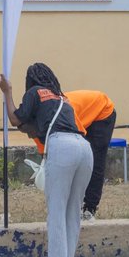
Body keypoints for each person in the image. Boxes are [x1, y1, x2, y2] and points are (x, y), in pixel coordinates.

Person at [0, 63, 93, 257]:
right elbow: (34, 128)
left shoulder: (34, 93)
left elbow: (15, 119)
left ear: (31, 81)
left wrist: (7, 92)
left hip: (62, 147)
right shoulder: (62, 98)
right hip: (84, 148)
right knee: (73, 210)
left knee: (57, 211)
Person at [30, 90, 118, 220]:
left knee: (94, 161)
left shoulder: (62, 117)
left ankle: (89, 208)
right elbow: (47, 159)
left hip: (102, 112)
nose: (27, 134)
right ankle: (72, 205)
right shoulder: (38, 130)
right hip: (83, 115)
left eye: (26, 130)